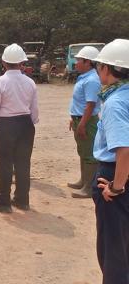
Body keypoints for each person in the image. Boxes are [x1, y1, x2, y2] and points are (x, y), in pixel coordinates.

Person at [90, 39, 129, 284]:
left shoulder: (115, 103)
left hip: (114, 175)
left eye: (99, 65)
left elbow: (124, 149)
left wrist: (116, 186)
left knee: (112, 250)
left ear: (107, 68)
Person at [0, 43, 39, 213]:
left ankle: (3, 201)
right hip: (25, 125)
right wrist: (30, 123)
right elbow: (34, 111)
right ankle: (22, 200)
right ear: (22, 63)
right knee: (23, 164)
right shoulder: (30, 83)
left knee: (5, 164)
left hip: (5, 126)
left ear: (3, 63)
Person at [68, 46, 102, 198]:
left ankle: (89, 187)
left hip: (86, 121)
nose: (76, 63)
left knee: (89, 154)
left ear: (88, 62)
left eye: (79, 60)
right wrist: (74, 118)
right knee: (83, 151)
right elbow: (81, 103)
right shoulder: (85, 77)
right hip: (80, 119)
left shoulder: (92, 80)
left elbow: (91, 104)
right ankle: (83, 181)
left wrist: (82, 123)